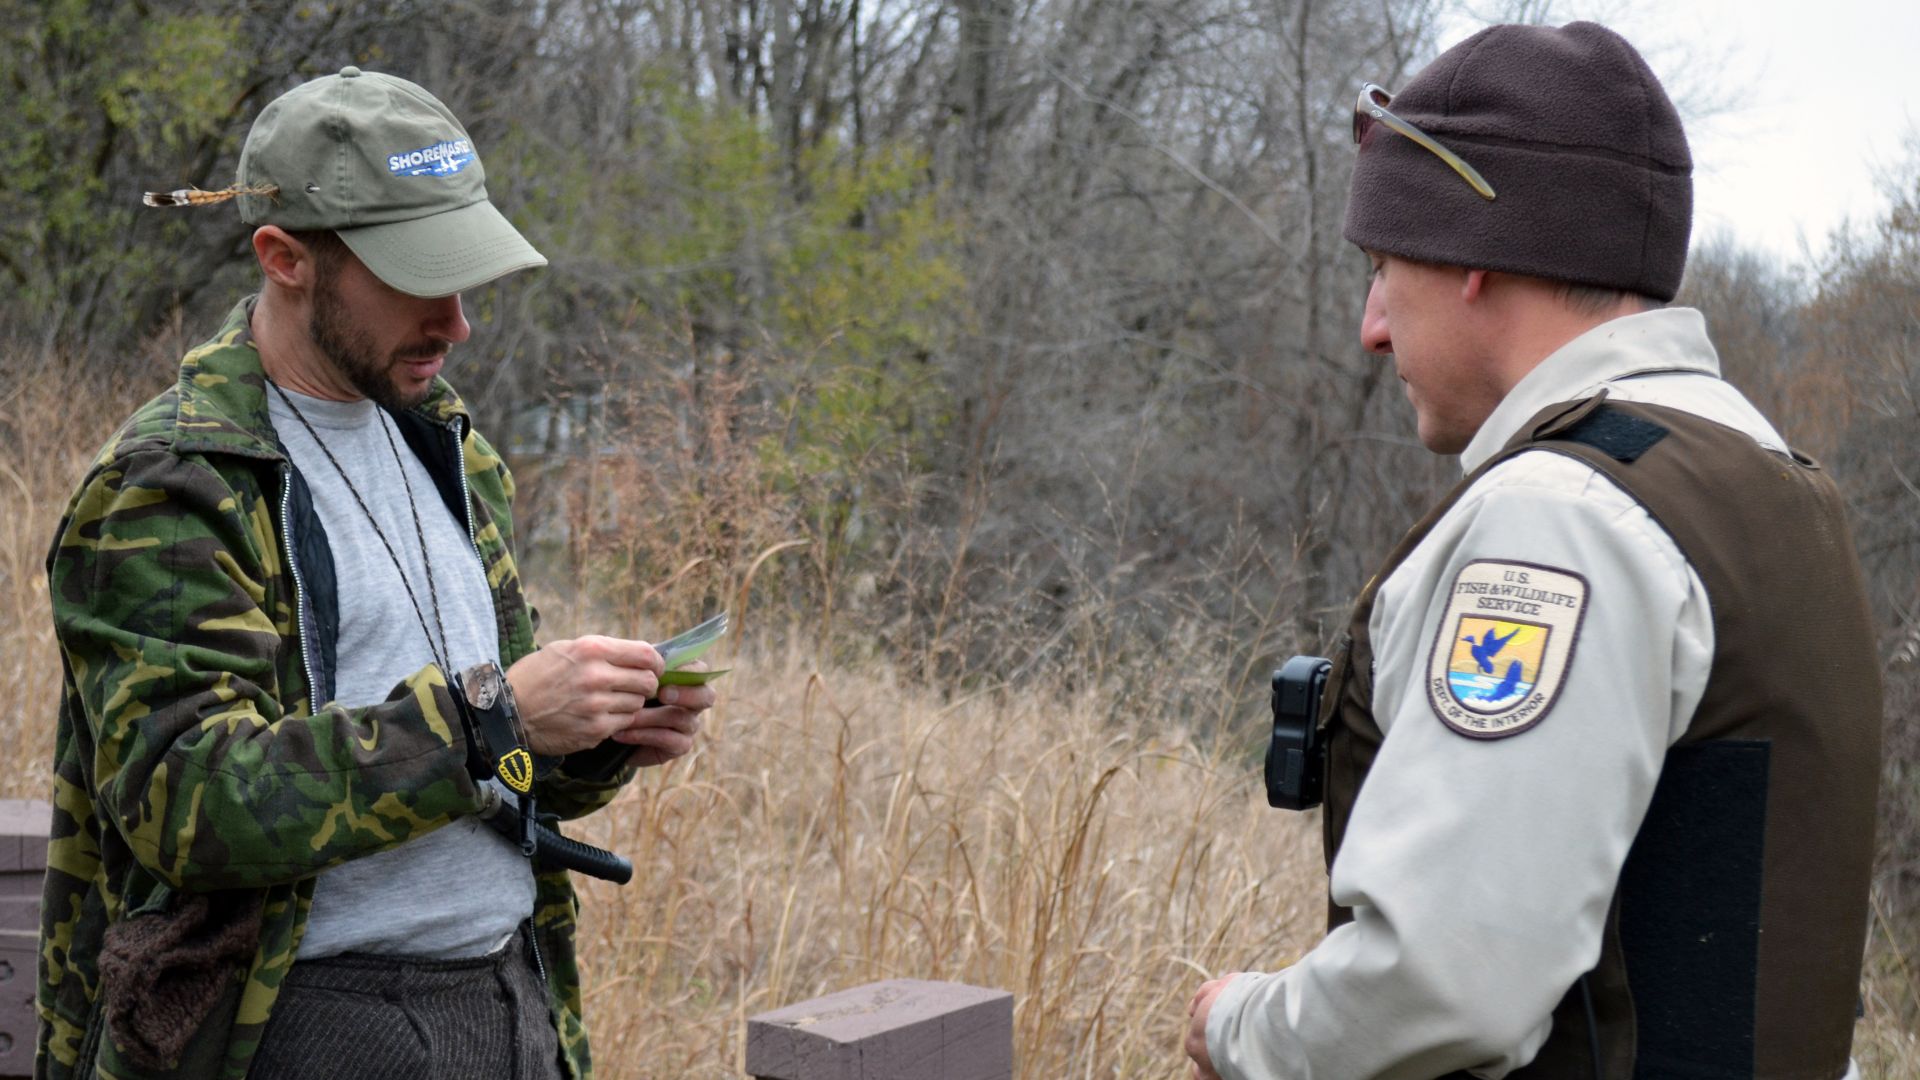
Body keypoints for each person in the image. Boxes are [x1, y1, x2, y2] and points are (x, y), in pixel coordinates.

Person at [1183, 22, 1881, 1080]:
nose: (1372, 327)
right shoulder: (1775, 480)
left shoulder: (1563, 520)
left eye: (1384, 268)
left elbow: (1444, 979)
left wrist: (1240, 1026)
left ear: (1472, 260)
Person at [36, 68, 715, 1080]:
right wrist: (496, 719)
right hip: (297, 1022)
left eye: (465, 276)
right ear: (285, 257)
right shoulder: (172, 484)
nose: (457, 320)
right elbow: (190, 805)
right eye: (416, 278)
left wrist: (593, 736)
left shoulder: (450, 451)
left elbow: (485, 767)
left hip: (511, 994)